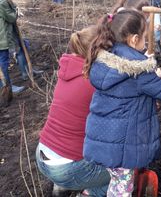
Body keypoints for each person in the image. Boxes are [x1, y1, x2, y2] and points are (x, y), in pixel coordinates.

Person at [82, 9, 161, 196]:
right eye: (145, 37)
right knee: (121, 188)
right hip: (122, 146)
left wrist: (151, 75)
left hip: (103, 139)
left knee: (115, 178)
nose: (146, 41)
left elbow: (131, 90)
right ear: (134, 39)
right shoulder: (139, 70)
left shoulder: (106, 58)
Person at [35, 26, 110, 197]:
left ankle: (60, 189)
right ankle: (88, 193)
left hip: (42, 153)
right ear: (100, 52)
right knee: (119, 173)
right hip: (66, 167)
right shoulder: (93, 81)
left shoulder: (69, 71)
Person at [0, 0, 26, 96]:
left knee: (3, 61)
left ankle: (6, 84)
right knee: (3, 62)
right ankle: (6, 86)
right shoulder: (3, 1)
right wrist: (16, 12)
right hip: (2, 37)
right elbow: (10, 17)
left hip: (4, 35)